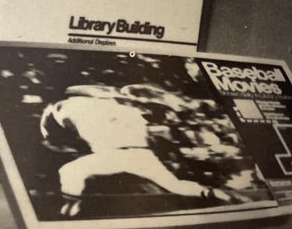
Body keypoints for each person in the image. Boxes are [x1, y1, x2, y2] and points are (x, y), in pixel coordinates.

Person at [39, 85, 237, 217]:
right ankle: (213, 193)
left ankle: (71, 209)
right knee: (174, 185)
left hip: (115, 154)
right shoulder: (123, 109)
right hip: (142, 154)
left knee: (69, 171)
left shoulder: (67, 107)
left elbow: (58, 125)